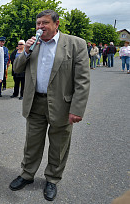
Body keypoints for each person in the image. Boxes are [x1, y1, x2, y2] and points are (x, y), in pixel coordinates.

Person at [9, 10, 90, 201]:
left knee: (59, 144)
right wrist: (26, 51)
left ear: (56, 24)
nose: (40, 27)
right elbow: (16, 69)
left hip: (62, 104)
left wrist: (77, 109)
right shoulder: (33, 44)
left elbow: (82, 80)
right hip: (35, 101)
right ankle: (27, 174)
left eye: (45, 23)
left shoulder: (75, 44)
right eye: (38, 23)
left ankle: (52, 178)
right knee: (32, 142)